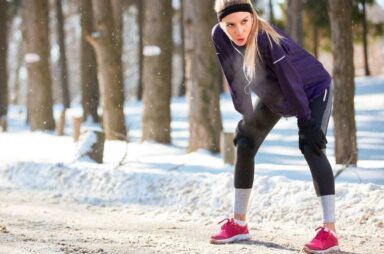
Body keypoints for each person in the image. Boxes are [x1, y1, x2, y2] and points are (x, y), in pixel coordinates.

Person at [210, 0, 339, 253]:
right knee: (245, 142)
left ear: (253, 17)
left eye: (244, 22)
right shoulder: (219, 37)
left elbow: (290, 82)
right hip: (275, 94)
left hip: (311, 90)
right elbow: (234, 78)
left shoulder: (267, 39)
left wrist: (306, 123)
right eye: (231, 25)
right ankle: (239, 224)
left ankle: (330, 232)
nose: (239, 31)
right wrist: (247, 116)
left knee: (310, 147)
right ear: (221, 24)